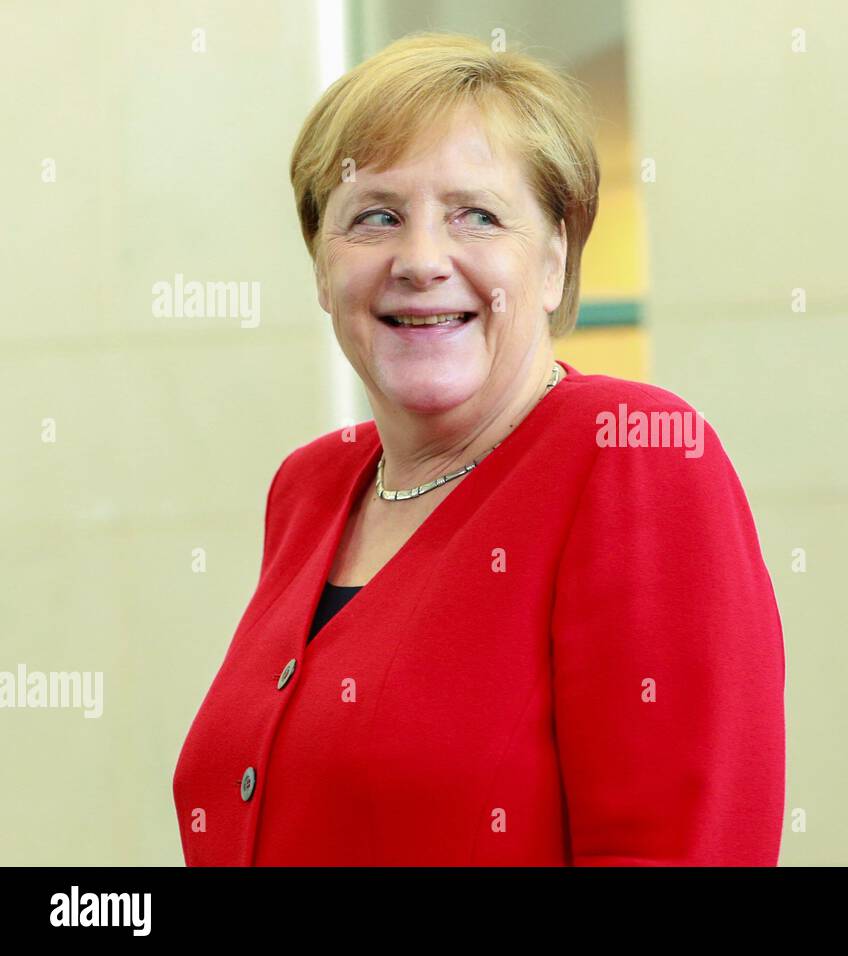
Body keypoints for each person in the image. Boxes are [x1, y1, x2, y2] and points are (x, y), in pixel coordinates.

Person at [172, 32, 785, 866]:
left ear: (553, 260)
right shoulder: (311, 486)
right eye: (375, 216)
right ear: (321, 266)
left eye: (478, 216)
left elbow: (678, 846)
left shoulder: (632, 454)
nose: (421, 260)